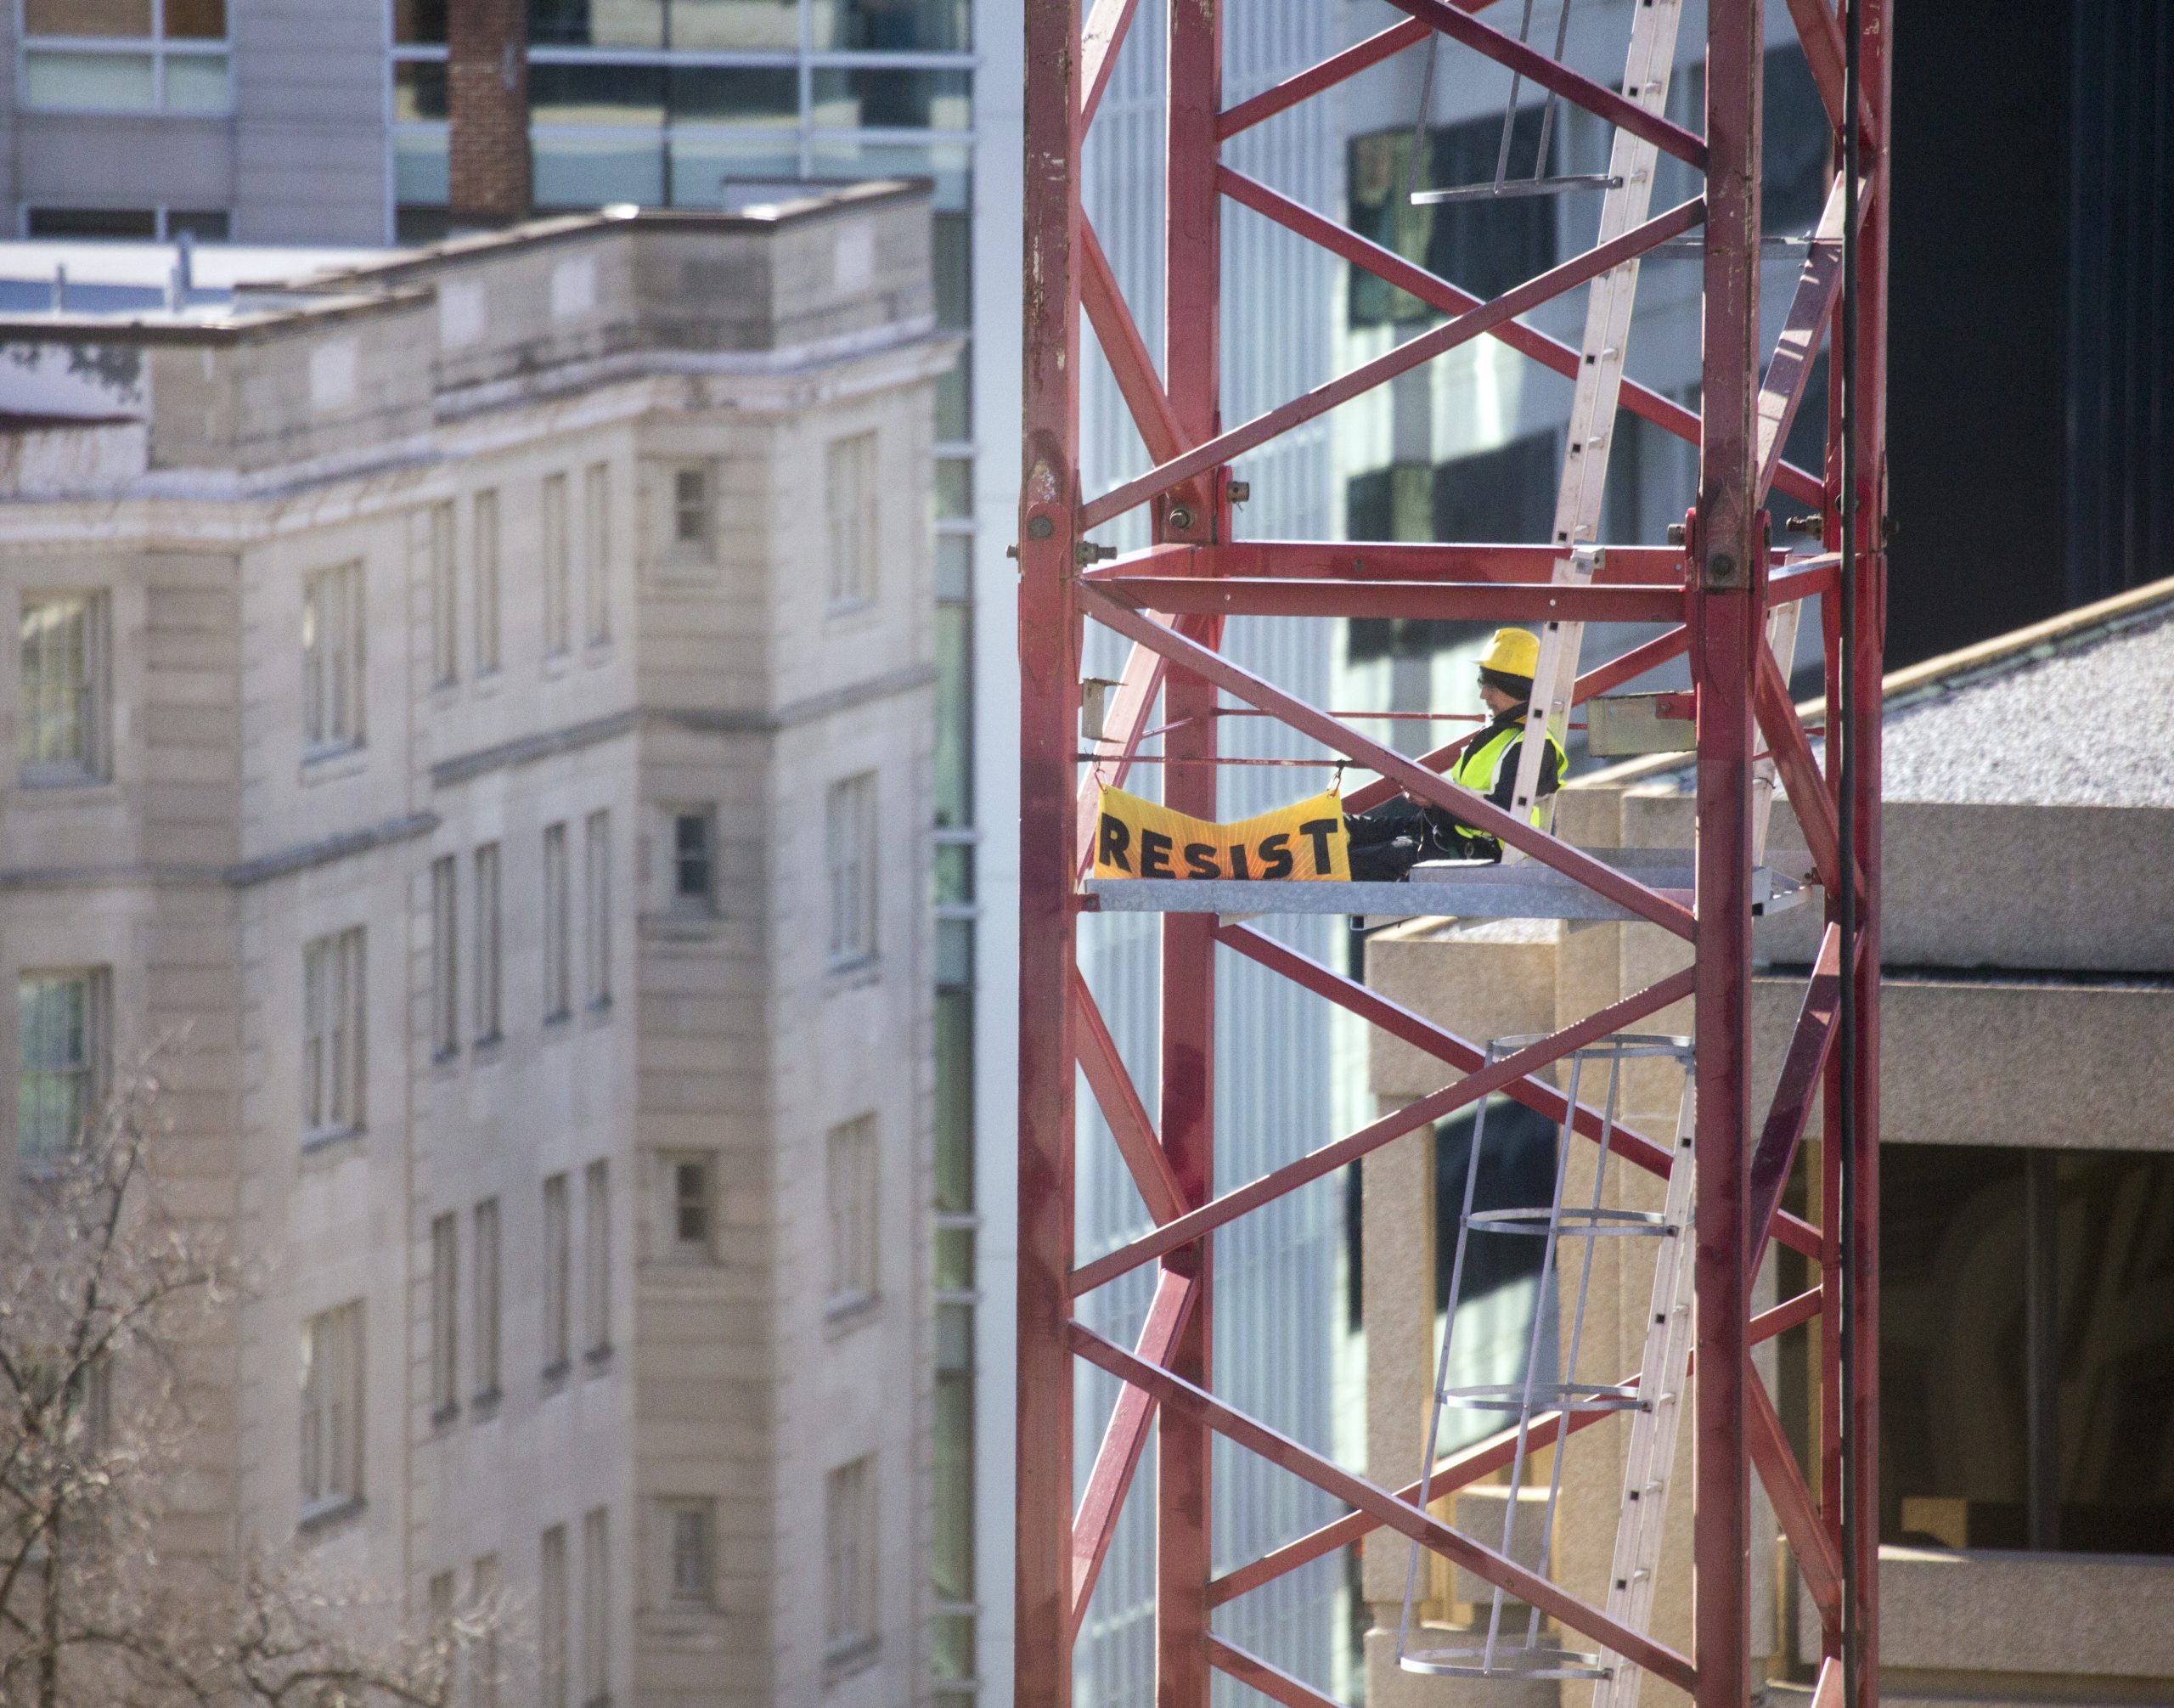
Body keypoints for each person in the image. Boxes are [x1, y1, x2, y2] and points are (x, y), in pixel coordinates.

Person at [1344, 627, 1567, 880]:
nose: (1483, 694)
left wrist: (1436, 801)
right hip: (1447, 835)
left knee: (1349, 862)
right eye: (1482, 682)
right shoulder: (1500, 735)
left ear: (1516, 689)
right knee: (1350, 829)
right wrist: (1432, 800)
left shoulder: (1531, 747)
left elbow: (1502, 820)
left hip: (1471, 853)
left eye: (1491, 685)